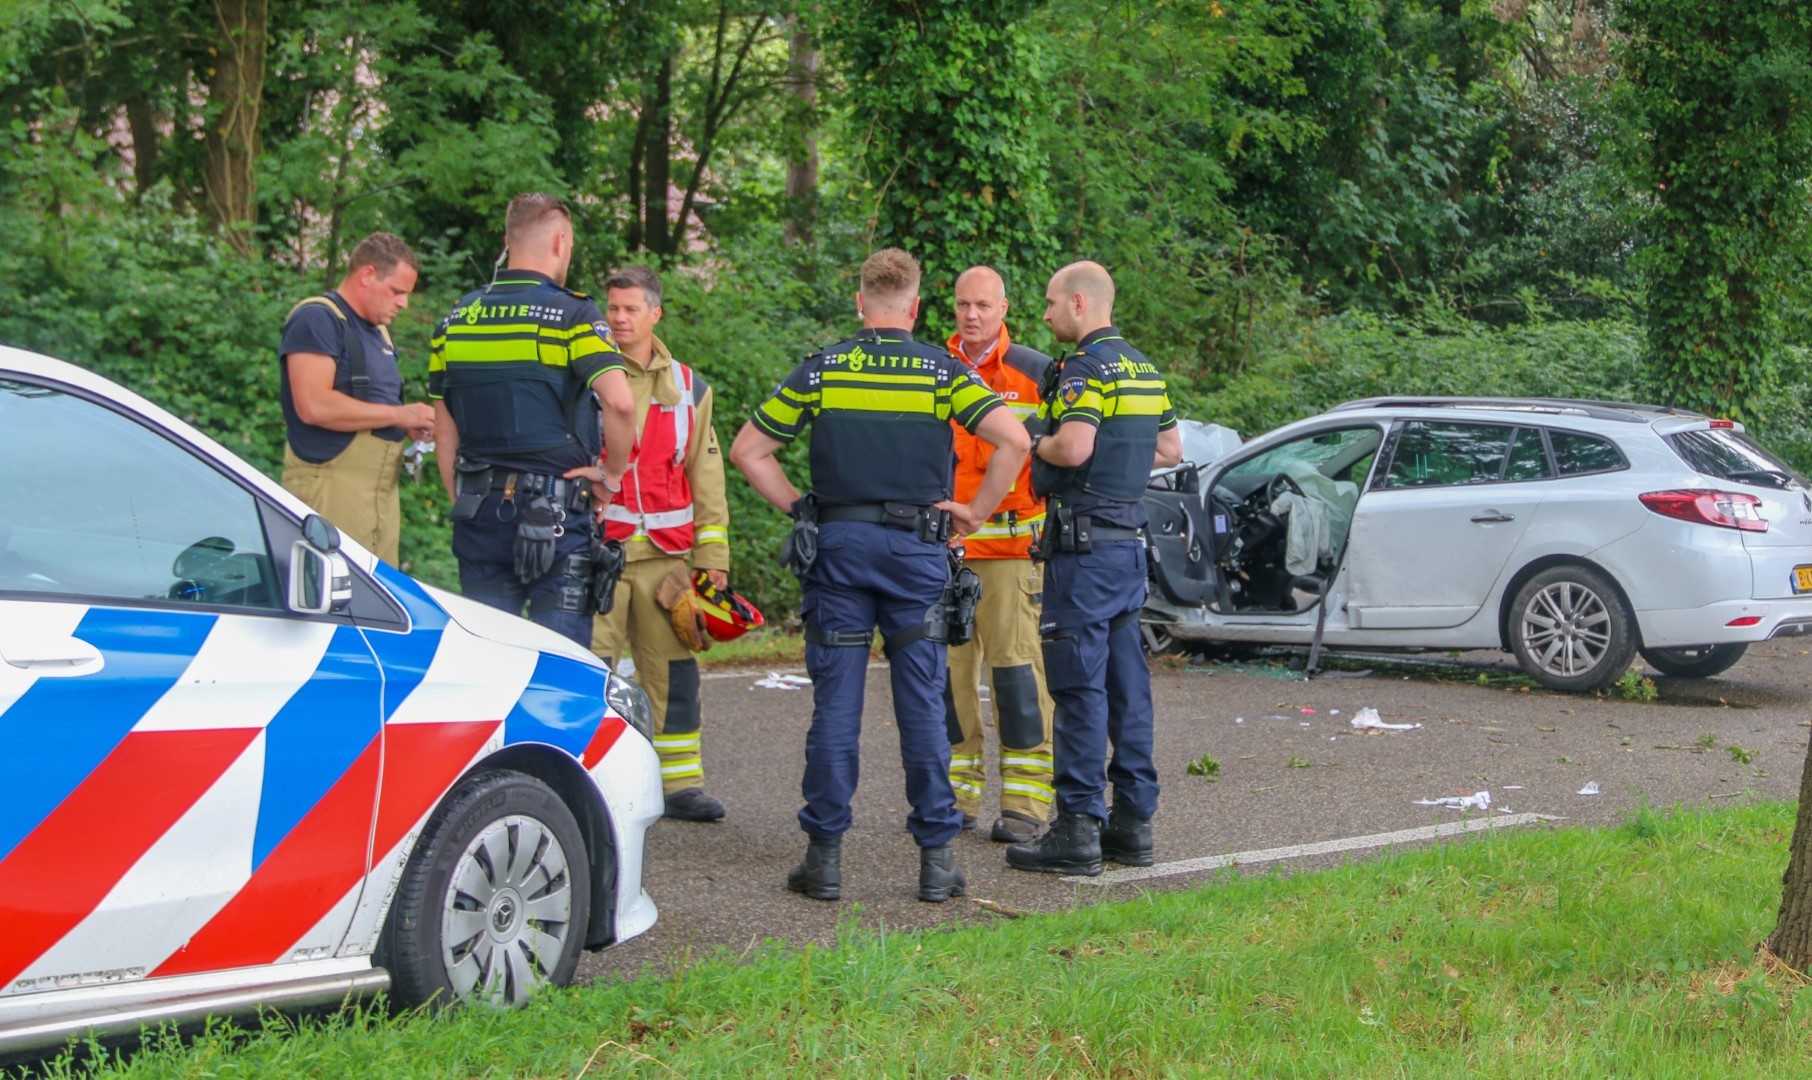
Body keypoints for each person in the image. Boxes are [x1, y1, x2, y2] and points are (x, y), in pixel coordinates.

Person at [729, 247, 1029, 903]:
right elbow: (1015, 441)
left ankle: (825, 860)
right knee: (923, 703)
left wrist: (801, 506)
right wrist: (974, 513)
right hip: (917, 553)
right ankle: (936, 861)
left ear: (862, 304)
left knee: (835, 704)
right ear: (917, 307)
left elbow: (748, 450)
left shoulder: (826, 369)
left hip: (838, 551)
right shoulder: (942, 371)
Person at [1005, 260, 1183, 877]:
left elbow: (1074, 446)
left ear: (1080, 304)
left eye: (1052, 303)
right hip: (1128, 546)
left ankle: (1078, 828)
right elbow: (1169, 448)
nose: (1047, 314)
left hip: (1082, 551)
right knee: (1126, 688)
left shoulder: (1086, 367)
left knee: (1078, 687)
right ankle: (1133, 825)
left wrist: (1036, 436)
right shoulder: (1143, 368)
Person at [429, 193, 636, 646]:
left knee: (488, 663)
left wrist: (461, 498)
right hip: (558, 516)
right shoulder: (573, 315)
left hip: (479, 512)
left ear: (508, 241)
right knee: (556, 670)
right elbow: (621, 404)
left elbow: (444, 426)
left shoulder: (456, 319)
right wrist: (611, 476)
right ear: (561, 242)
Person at [589, 266, 733, 823]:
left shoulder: (691, 387)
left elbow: (706, 476)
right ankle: (592, 777)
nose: (619, 319)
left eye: (630, 309)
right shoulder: (590, 375)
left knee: (673, 672)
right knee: (594, 668)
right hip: (601, 554)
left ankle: (680, 784)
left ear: (655, 314)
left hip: (665, 561)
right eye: (613, 308)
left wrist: (713, 559)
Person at [941, 266, 1058, 843]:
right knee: (948, 680)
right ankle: (954, 798)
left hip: (1014, 548)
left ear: (1004, 307)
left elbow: (1065, 455)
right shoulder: (933, 369)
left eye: (983, 304)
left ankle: (1025, 802)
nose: (972, 315)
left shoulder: (1036, 373)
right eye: (963, 304)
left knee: (1016, 674)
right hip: (947, 552)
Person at [278, 232, 435, 564]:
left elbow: (374, 408)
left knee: (377, 602)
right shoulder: (318, 318)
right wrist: (398, 416)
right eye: (397, 292)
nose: (404, 303)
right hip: (330, 491)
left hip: (380, 496)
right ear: (367, 275)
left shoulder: (379, 333)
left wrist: (406, 425)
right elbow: (313, 405)